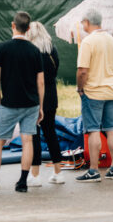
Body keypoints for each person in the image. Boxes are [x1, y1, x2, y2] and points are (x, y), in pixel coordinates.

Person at [0, 11, 44, 194]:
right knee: (28, 141)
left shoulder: (2, 48)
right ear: (28, 29)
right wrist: (41, 106)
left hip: (9, 103)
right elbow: (41, 82)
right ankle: (22, 182)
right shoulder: (35, 51)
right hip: (31, 104)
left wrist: (0, 100)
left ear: (13, 26)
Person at [76, 9, 113, 182]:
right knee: (112, 130)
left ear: (86, 22)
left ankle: (93, 170)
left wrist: (80, 88)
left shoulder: (88, 42)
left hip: (93, 92)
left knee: (93, 130)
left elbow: (83, 71)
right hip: (112, 91)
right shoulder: (112, 40)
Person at [26, 22, 65, 186]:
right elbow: (55, 71)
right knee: (51, 133)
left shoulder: (29, 52)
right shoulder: (51, 50)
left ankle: (35, 175)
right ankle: (58, 172)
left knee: (34, 135)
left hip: (34, 96)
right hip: (51, 96)